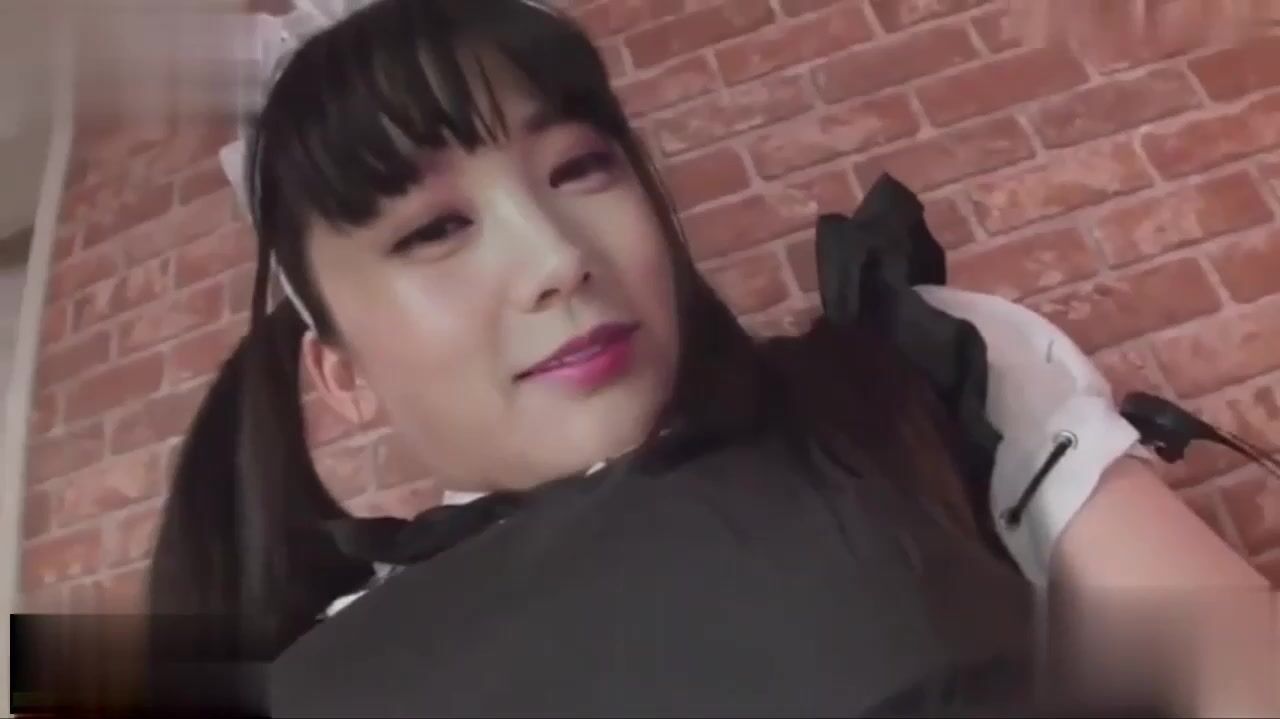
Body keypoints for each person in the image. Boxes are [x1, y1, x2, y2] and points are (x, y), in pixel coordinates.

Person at [145, 0, 1275, 716]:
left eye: (579, 168)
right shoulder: (336, 672)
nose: (557, 260)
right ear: (340, 375)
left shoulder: (909, 384)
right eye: (435, 229)